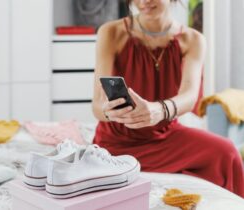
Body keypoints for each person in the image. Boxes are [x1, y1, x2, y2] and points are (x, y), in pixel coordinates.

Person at [92, 0, 244, 197]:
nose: (144, 2)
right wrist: (112, 112)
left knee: (227, 152)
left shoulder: (193, 40)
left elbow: (189, 97)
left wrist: (159, 110)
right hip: (118, 143)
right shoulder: (111, 32)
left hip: (166, 137)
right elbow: (96, 106)